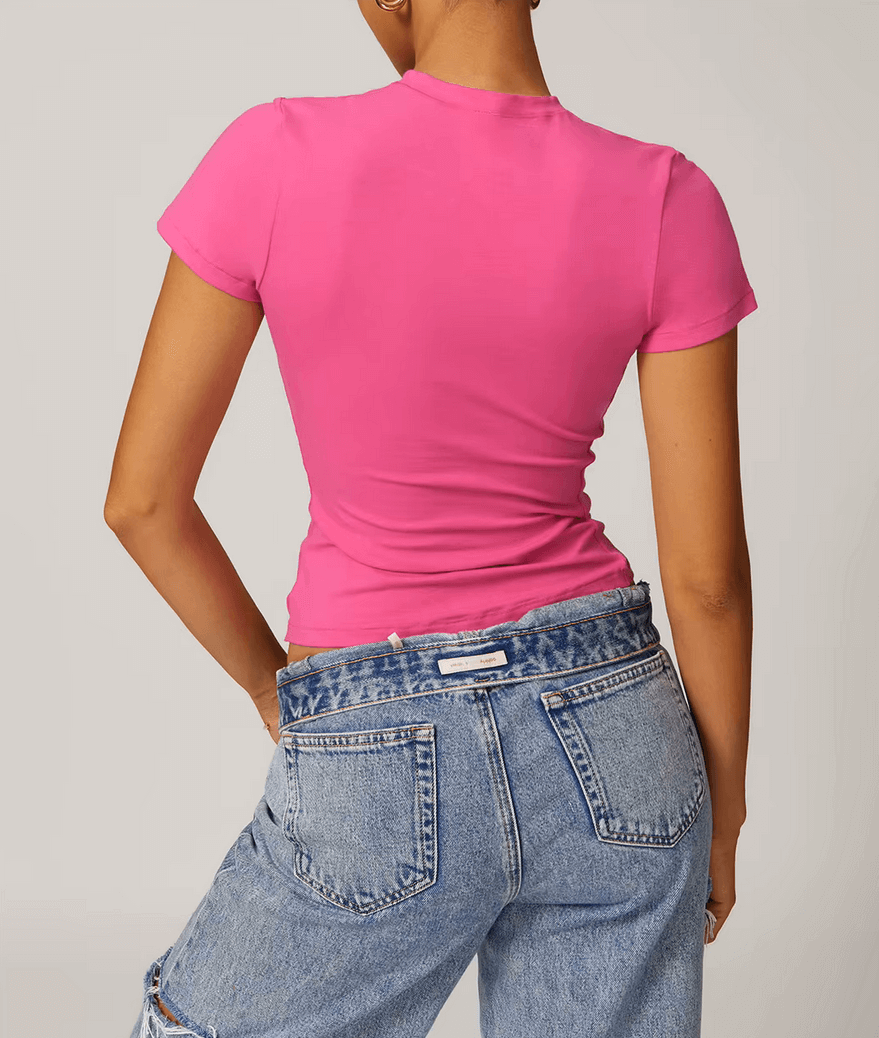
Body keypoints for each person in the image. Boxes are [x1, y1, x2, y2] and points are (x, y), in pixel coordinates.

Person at [106, 1, 756, 1034]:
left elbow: (143, 501)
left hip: (375, 733)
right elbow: (707, 576)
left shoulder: (271, 155)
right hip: (617, 730)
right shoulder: (668, 196)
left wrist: (288, 698)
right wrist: (724, 811)